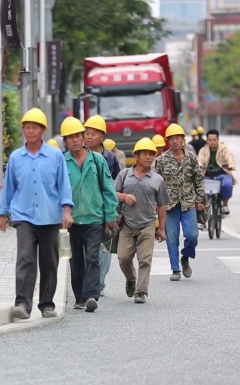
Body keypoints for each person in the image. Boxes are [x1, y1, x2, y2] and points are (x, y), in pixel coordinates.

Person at [0, 107, 74, 319]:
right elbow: (9, 187)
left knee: (49, 262)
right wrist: (2, 213)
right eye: (27, 128)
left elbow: (63, 185)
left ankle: (47, 304)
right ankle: (22, 304)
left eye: (34, 128)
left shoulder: (55, 155)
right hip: (24, 217)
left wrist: (67, 210)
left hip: (50, 217)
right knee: (25, 258)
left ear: (42, 131)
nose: (30, 131)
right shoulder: (16, 157)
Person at [61, 117, 118, 312]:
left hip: (94, 217)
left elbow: (108, 188)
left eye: (78, 135)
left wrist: (110, 214)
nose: (75, 140)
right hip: (72, 220)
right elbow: (56, 190)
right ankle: (79, 297)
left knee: (93, 256)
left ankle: (91, 295)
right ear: (65, 141)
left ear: (83, 137)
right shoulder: (62, 162)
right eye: (70, 137)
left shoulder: (97, 160)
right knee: (76, 259)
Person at [115, 138, 169, 304]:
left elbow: (162, 205)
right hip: (127, 224)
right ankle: (131, 278)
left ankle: (141, 291)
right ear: (136, 156)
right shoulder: (124, 175)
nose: (148, 157)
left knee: (145, 260)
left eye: (151, 154)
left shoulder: (157, 179)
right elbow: (112, 194)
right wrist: (124, 196)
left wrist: (161, 229)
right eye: (144, 154)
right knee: (123, 258)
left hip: (147, 225)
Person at [155, 123, 205, 282]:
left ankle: (186, 257)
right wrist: (156, 205)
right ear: (167, 141)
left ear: (183, 140)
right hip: (169, 205)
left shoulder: (191, 157)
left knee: (192, 235)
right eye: (172, 138)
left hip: (188, 202)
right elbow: (156, 183)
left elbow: (198, 179)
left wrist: (200, 199)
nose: (175, 141)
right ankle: (175, 269)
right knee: (172, 237)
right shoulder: (161, 160)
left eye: (178, 138)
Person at [84, 114, 120, 297]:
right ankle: (89, 282)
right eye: (87, 133)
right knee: (87, 250)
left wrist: (113, 210)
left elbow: (115, 183)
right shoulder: (78, 155)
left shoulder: (111, 158)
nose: (89, 137)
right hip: (84, 209)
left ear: (102, 137)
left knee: (104, 249)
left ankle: (99, 282)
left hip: (103, 210)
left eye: (94, 133)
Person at [197, 129, 236, 215]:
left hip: (222, 174)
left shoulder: (224, 148)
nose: (212, 142)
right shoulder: (203, 150)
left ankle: (225, 204)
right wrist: (199, 165)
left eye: (214, 140)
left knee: (227, 185)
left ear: (218, 139)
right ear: (207, 140)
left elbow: (229, 157)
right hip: (207, 175)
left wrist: (230, 165)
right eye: (210, 140)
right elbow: (199, 160)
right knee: (200, 190)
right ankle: (203, 214)